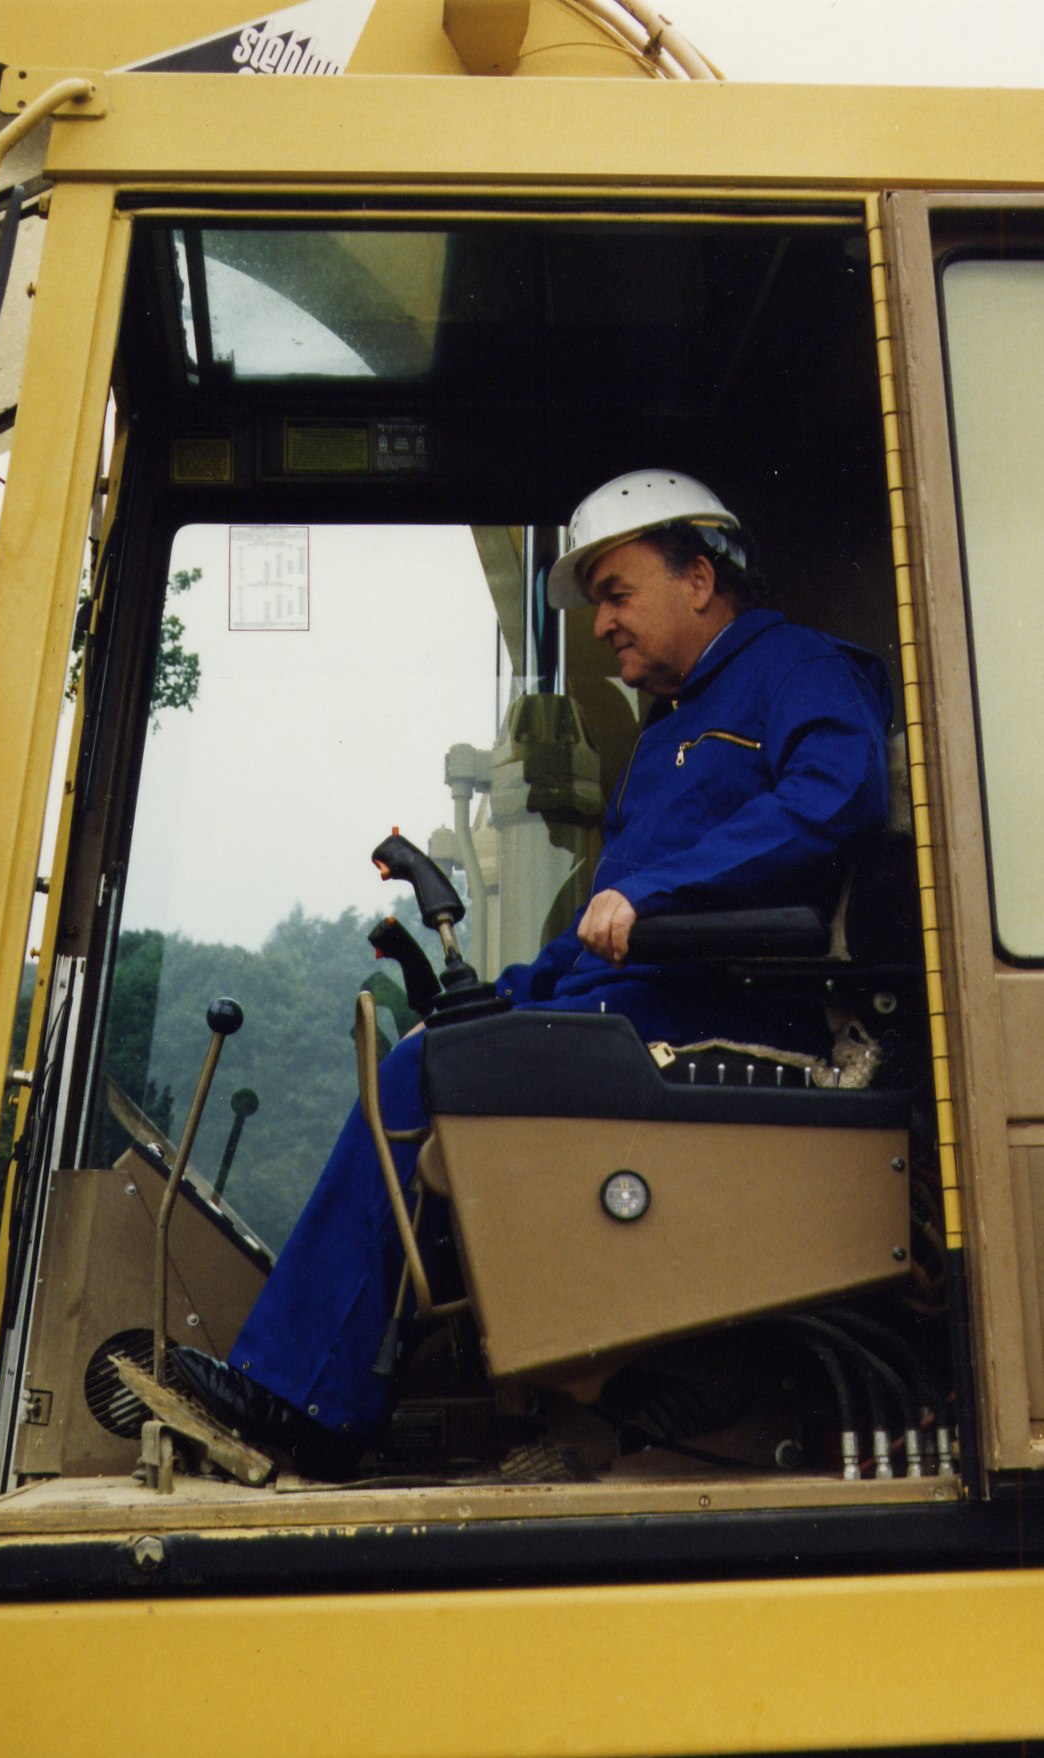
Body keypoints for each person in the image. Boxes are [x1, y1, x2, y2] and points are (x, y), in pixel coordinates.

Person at [174, 469, 893, 1478]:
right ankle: (325, 1385)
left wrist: (660, 893)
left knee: (421, 1083)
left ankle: (305, 1402)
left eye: (616, 591)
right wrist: (497, 999)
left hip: (740, 1018)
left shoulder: (801, 669)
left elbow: (838, 796)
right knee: (432, 1054)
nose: (601, 624)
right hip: (642, 1009)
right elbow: (609, 922)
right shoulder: (671, 732)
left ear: (699, 577)